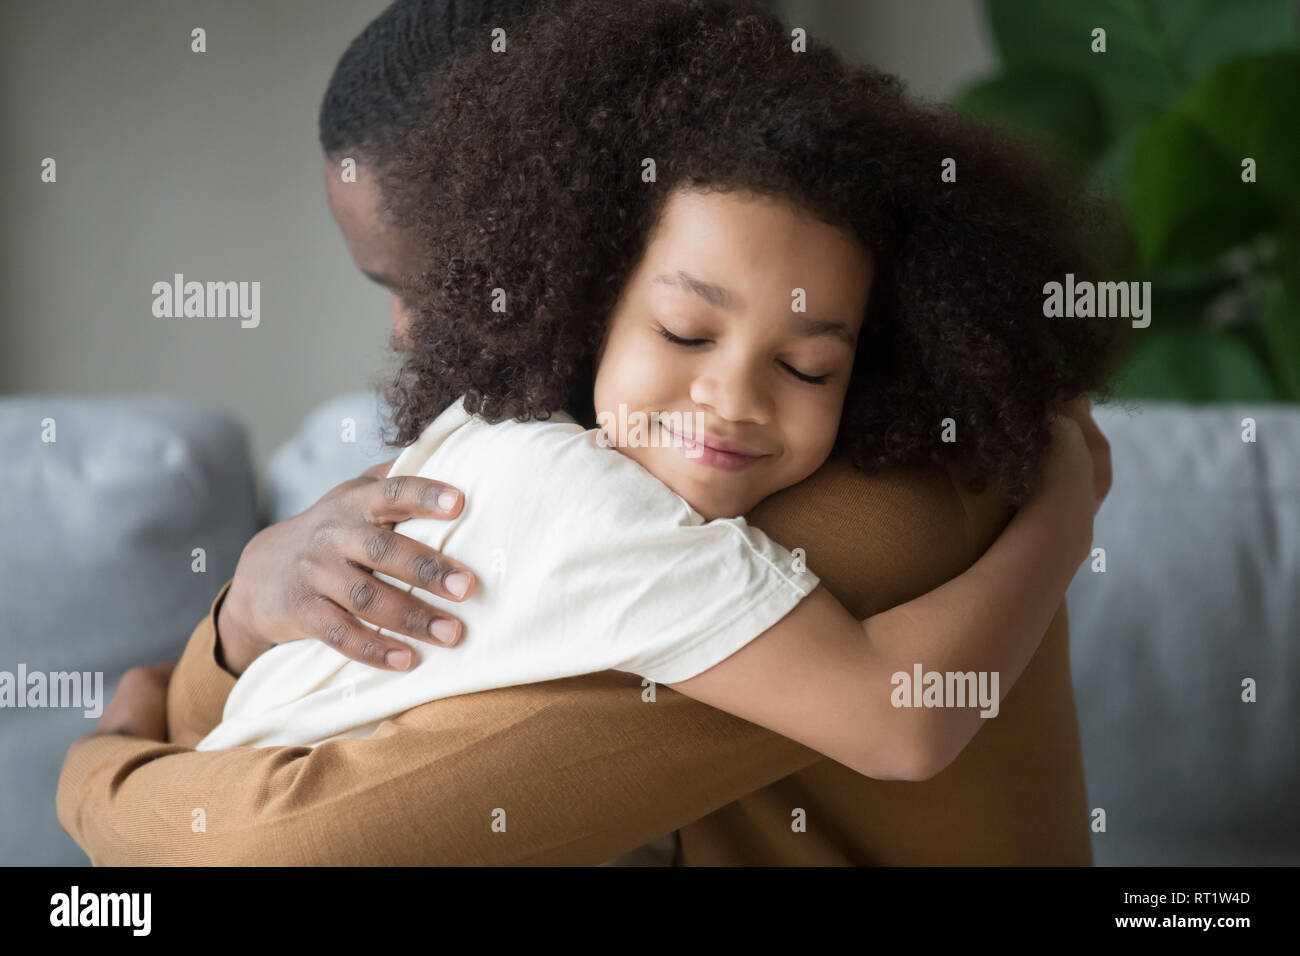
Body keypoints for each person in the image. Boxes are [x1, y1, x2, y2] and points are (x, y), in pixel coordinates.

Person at [57, 0, 1117, 866]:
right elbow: (234, 707)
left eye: (433, 275)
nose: (412, 329)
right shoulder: (574, 446)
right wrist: (242, 614)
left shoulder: (849, 512)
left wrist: (97, 767)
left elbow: (283, 847)